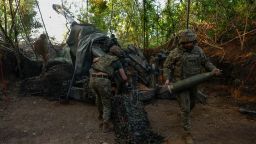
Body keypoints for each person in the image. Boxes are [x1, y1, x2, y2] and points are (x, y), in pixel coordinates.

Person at [163, 29, 221, 144]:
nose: (189, 44)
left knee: (192, 104)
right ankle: (187, 134)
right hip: (181, 83)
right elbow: (167, 66)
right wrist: (167, 78)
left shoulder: (198, 51)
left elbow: (206, 62)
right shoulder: (175, 53)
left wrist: (213, 69)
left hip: (194, 83)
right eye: (186, 42)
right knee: (185, 107)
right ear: (182, 43)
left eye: (191, 42)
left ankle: (185, 115)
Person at [89, 45, 127, 133]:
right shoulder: (117, 61)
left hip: (92, 79)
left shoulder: (101, 56)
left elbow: (94, 62)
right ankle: (106, 125)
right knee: (107, 103)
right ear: (118, 54)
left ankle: (100, 115)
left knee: (98, 98)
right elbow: (124, 78)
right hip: (102, 81)